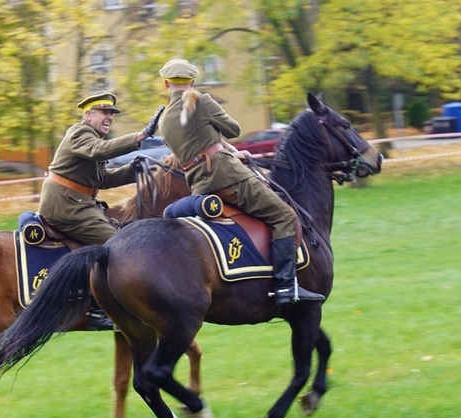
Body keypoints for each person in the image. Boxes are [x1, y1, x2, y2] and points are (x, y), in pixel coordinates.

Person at [157, 59, 324, 306]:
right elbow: (233, 129)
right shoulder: (202, 101)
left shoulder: (164, 120)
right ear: (192, 82)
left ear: (166, 84)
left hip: (200, 185)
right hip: (229, 177)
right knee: (284, 216)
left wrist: (229, 152)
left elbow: (194, 151)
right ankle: (286, 287)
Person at [39, 92, 165, 328]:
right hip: (66, 207)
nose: (110, 117)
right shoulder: (80, 133)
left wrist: (132, 169)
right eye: (105, 112)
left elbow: (101, 180)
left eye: (112, 113)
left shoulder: (92, 138)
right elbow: (99, 150)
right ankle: (102, 307)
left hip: (80, 204)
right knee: (119, 245)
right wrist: (140, 136)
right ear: (88, 115)